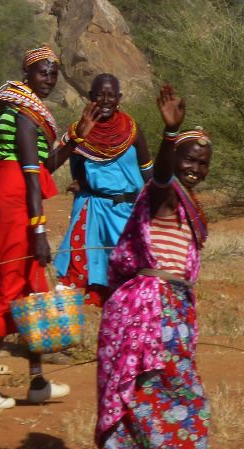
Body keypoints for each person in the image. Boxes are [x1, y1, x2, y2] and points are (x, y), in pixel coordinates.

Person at [96, 84, 211, 448]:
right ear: (175, 158)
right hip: (152, 308)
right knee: (164, 389)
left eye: (203, 163)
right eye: (188, 159)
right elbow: (160, 176)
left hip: (173, 307)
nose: (195, 169)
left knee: (162, 387)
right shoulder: (164, 193)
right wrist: (170, 133)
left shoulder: (189, 202)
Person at [0, 44, 75, 409]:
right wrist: (40, 231)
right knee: (11, 289)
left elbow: (43, 166)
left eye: (53, 73)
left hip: (10, 192)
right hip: (15, 200)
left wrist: (75, 139)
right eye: (43, 72)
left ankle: (37, 381)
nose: (49, 79)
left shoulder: (25, 111)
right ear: (27, 75)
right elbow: (30, 175)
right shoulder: (24, 113)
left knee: (31, 288)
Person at [54, 73, 152, 307]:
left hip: (127, 211)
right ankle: (70, 322)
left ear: (119, 98)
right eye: (100, 95)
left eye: (111, 95)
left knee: (129, 266)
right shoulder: (80, 130)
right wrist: (80, 177)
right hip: (93, 208)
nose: (106, 100)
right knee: (81, 264)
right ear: (90, 97)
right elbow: (69, 163)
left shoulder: (133, 131)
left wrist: (156, 204)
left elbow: (147, 172)